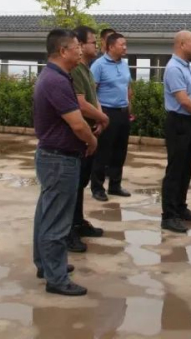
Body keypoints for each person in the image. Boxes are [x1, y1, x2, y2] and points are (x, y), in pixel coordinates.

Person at [31, 29, 98, 296]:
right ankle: (56, 278)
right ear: (62, 51)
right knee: (57, 221)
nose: (80, 51)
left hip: (53, 157)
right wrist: (92, 141)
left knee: (47, 215)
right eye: (75, 47)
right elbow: (77, 124)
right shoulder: (56, 81)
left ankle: (46, 266)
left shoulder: (54, 76)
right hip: (60, 159)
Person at [66, 25, 111, 252]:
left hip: (92, 131)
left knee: (81, 183)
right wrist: (103, 117)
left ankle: (78, 222)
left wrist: (100, 118)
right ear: (81, 46)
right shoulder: (75, 71)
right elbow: (81, 104)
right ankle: (69, 230)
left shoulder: (87, 69)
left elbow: (94, 98)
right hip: (80, 137)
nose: (97, 46)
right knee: (74, 186)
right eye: (93, 42)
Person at [161, 30, 191, 233]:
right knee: (175, 169)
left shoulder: (188, 66)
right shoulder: (173, 68)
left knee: (186, 167)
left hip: (190, 120)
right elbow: (182, 99)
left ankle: (181, 207)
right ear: (181, 44)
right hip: (179, 122)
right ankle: (169, 215)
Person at [90, 32, 133, 201]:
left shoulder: (124, 65)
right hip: (106, 112)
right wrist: (99, 115)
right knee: (103, 151)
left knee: (120, 151)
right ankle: (97, 187)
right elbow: (92, 92)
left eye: (126, 44)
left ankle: (115, 185)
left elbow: (127, 87)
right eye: (122, 45)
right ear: (111, 47)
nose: (125, 48)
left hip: (123, 112)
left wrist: (129, 108)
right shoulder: (99, 65)